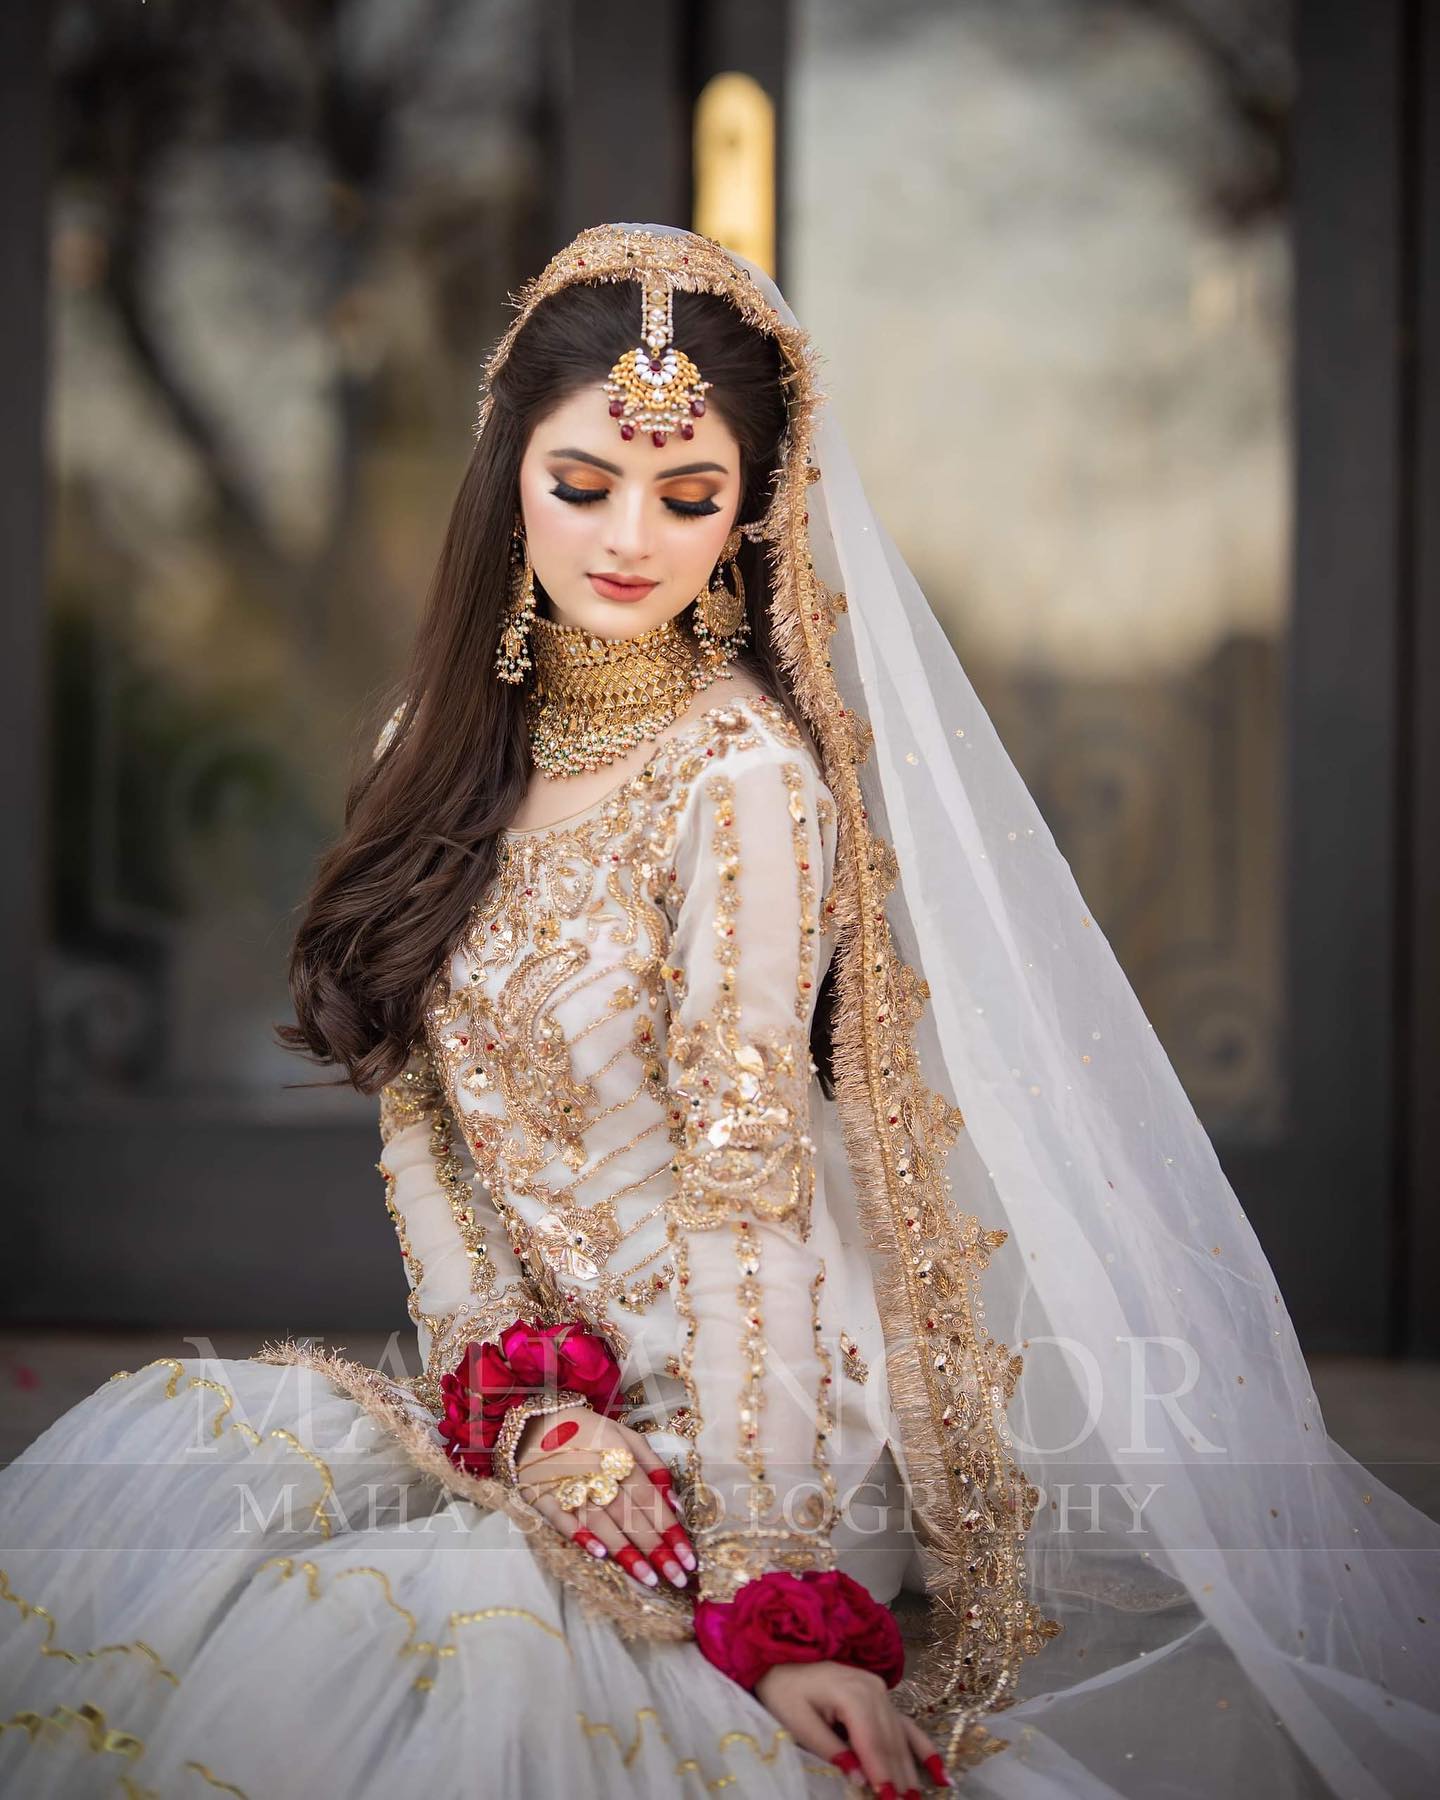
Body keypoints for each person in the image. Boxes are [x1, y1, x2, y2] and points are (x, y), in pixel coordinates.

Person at [1, 223, 1436, 1800]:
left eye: (691, 500)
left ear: (752, 512)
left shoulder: (742, 780)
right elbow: (423, 1128)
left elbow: (749, 1187)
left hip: (757, 1411)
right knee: (175, 1474)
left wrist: (774, 1581)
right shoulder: (432, 743)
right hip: (550, 1400)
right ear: (509, 475)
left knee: (416, 1673)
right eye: (583, 483)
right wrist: (520, 1397)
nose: (631, 538)